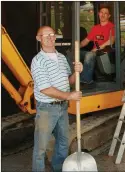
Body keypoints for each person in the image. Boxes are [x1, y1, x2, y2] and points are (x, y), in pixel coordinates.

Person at [31, 26, 83, 172]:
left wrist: (77, 72)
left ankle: (58, 168)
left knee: (63, 143)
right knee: (41, 148)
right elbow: (45, 88)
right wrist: (69, 96)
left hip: (62, 107)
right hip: (47, 108)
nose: (50, 37)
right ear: (38, 38)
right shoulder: (38, 61)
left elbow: (69, 81)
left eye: (52, 34)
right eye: (45, 35)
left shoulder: (61, 57)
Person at [79, 5, 115, 84]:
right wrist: (75, 47)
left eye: (105, 13)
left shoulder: (112, 27)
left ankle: (86, 80)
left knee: (89, 55)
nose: (103, 15)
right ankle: (71, 78)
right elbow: (85, 41)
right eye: (101, 12)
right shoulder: (95, 28)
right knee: (72, 53)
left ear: (109, 16)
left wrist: (96, 49)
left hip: (103, 52)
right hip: (93, 51)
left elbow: (111, 41)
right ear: (98, 14)